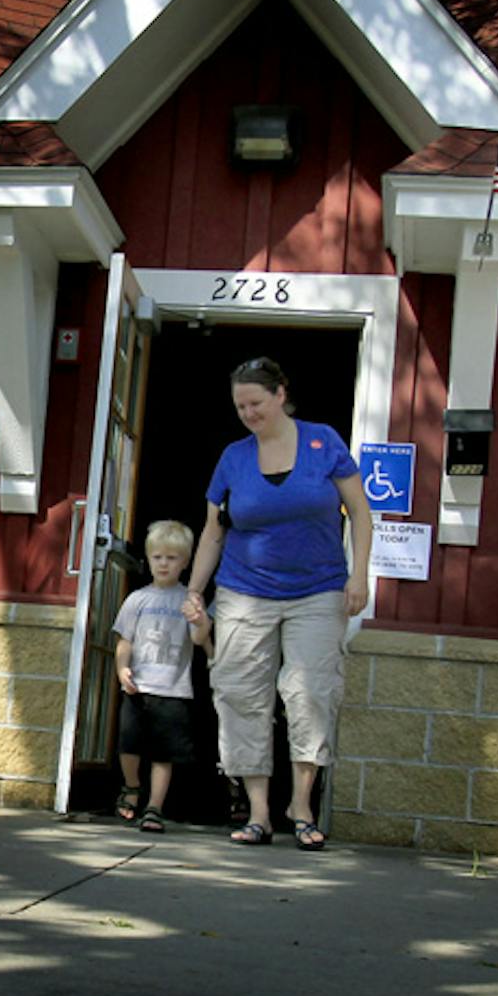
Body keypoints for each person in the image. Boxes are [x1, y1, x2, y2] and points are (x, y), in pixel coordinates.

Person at [183, 357, 369, 851]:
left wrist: (360, 574)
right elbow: (213, 531)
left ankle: (301, 807)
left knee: (310, 693)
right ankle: (260, 813)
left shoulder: (323, 442)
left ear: (281, 394)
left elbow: (363, 513)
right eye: (240, 406)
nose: (248, 413)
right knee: (241, 695)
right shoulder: (233, 458)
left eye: (256, 403)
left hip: (318, 591)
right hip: (245, 591)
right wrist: (195, 590)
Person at [111, 519, 199, 834]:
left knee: (165, 751)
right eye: (158, 557)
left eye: (172, 558)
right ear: (148, 559)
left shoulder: (189, 600)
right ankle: (132, 786)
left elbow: (200, 639)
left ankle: (155, 806)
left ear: (186, 562)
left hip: (173, 687)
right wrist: (122, 669)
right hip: (138, 685)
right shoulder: (138, 599)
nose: (164, 563)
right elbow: (125, 641)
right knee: (129, 743)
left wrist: (201, 620)